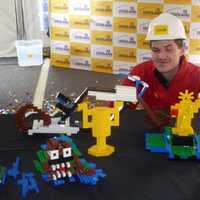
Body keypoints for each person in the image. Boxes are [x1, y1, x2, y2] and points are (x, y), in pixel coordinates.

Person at [122, 13, 200, 110]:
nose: (161, 56)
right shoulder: (139, 72)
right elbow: (116, 109)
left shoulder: (197, 76)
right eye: (156, 50)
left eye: (169, 49)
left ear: (182, 50)